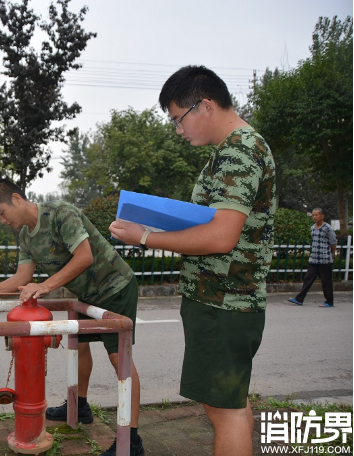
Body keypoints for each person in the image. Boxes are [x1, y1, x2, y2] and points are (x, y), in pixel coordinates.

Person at [109, 65, 276, 456]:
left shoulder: (239, 150)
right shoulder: (229, 151)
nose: (179, 131)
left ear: (205, 105)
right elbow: (215, 220)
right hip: (223, 298)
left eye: (178, 120)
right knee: (232, 403)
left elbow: (221, 236)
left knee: (225, 412)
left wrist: (146, 236)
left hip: (223, 301)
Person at [0, 178, 144, 456]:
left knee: (118, 359)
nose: (1, 221)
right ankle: (81, 407)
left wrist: (46, 285)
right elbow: (23, 278)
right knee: (81, 347)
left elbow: (84, 256)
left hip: (115, 287)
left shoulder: (60, 213)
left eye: (1, 213)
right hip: (87, 294)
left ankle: (132, 440)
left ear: (16, 199)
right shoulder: (26, 235)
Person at [288, 208, 338, 307]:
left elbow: (333, 243)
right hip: (314, 259)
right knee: (307, 279)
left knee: (326, 281)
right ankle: (299, 299)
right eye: (313, 215)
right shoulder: (312, 228)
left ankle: (329, 301)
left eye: (317, 215)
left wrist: (332, 254)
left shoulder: (327, 228)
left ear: (322, 216)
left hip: (324, 259)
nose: (314, 217)